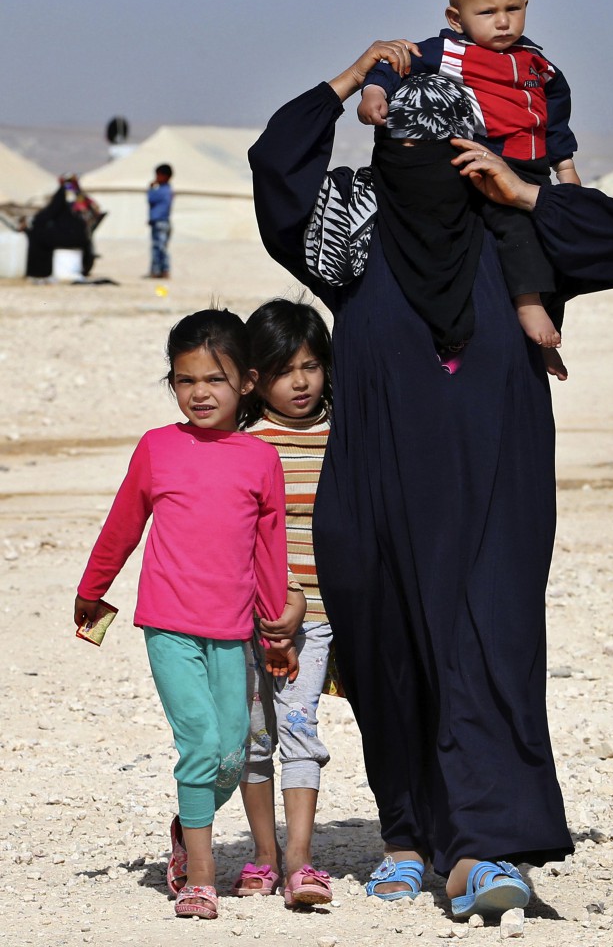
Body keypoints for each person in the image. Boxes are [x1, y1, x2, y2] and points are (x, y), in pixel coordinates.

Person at [248, 39, 613, 921]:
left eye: (442, 159)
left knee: (487, 650)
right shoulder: (351, 233)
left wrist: (525, 189)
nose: (421, 177)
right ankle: (406, 836)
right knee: (391, 662)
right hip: (378, 497)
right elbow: (277, 163)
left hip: (493, 503)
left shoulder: (514, 240)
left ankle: (484, 848)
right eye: (403, 158)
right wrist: (351, 78)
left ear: (473, 158)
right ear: (382, 162)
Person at [73, 308, 304, 921]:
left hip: (234, 633)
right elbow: (123, 525)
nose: (199, 393)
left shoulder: (260, 459)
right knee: (200, 742)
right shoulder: (157, 448)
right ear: (172, 382)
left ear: (247, 381)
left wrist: (277, 625)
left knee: (232, 751)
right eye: (185, 380)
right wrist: (92, 589)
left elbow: (268, 551)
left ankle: (186, 826)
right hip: (169, 625)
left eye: (215, 379)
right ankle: (201, 876)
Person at [358, 0, 580, 351]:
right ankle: (527, 306)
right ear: (455, 18)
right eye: (487, 12)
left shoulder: (539, 64)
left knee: (554, 246)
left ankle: (546, 339)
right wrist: (374, 89)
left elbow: (556, 119)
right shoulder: (452, 52)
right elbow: (396, 61)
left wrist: (565, 168)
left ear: (526, 5)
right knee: (516, 228)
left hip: (534, 170)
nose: (502, 21)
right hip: (489, 166)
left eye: (513, 8)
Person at [234, 298, 335, 908]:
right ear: (254, 378)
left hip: (318, 618)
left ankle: (299, 860)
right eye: (281, 369)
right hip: (249, 619)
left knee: (300, 731)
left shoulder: (347, 437)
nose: (299, 382)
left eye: (311, 366)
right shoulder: (245, 445)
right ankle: (263, 856)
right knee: (251, 738)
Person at [25, 173, 102, 279]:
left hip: (70, 236)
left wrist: (35, 221)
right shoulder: (79, 195)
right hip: (82, 238)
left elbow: (50, 212)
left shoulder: (65, 192)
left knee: (36, 235)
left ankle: (38, 272)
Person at [147, 163, 173, 279]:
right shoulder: (168, 190)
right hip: (162, 222)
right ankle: (161, 270)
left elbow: (151, 199)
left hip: (160, 222)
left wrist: (151, 188)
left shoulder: (162, 190)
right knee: (160, 247)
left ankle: (159, 270)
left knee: (159, 247)